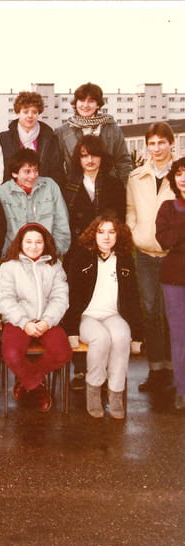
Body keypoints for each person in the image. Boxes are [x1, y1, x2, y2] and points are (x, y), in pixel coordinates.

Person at [64, 215, 143, 419]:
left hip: (113, 315)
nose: (106, 237)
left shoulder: (124, 258)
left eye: (111, 232)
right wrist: (71, 330)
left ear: (118, 235)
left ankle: (116, 394)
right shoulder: (82, 257)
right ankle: (94, 391)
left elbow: (133, 296)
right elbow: (71, 295)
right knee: (101, 338)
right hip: (87, 317)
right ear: (94, 235)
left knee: (121, 337)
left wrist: (137, 334)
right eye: (101, 232)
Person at [0, 223, 72, 412]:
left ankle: (25, 381)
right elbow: (5, 299)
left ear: (45, 244)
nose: (33, 246)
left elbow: (60, 298)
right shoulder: (9, 267)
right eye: (28, 241)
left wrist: (47, 321)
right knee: (11, 354)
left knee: (63, 352)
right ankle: (37, 387)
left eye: (38, 242)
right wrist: (24, 323)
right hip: (19, 322)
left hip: (47, 321)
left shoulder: (54, 266)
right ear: (20, 243)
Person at [126, 122, 176, 392]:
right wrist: (135, 232)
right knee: (150, 310)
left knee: (171, 312)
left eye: (161, 142)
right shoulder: (136, 177)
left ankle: (173, 370)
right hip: (145, 254)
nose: (156, 148)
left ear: (171, 144)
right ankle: (156, 369)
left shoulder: (181, 175)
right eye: (152, 143)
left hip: (173, 255)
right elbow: (131, 210)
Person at [0, 148, 70, 257]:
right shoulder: (2, 193)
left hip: (48, 255)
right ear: (14, 173)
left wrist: (55, 252)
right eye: (27, 171)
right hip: (14, 256)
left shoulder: (50, 186)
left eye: (35, 170)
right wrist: (9, 255)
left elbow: (62, 223)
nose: (33, 176)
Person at [55, 82, 132, 185]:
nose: (85, 105)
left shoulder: (111, 128)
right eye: (82, 100)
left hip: (108, 187)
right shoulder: (62, 132)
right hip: (75, 188)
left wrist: (125, 188)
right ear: (75, 103)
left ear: (98, 105)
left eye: (91, 101)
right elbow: (56, 166)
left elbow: (123, 162)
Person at [156, 157, 185, 410]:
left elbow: (174, 238)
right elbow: (164, 240)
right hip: (174, 279)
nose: (183, 178)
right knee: (179, 335)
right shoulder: (167, 207)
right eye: (179, 173)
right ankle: (182, 390)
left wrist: (178, 236)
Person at [63, 135, 126, 244]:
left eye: (94, 155)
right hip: (77, 244)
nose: (90, 160)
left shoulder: (115, 184)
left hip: (106, 242)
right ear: (78, 159)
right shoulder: (68, 185)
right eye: (84, 156)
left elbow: (120, 217)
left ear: (102, 157)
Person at [0, 91, 65, 186]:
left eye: (34, 112)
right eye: (25, 112)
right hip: (12, 191)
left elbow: (57, 171)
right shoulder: (3, 139)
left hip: (43, 190)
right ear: (18, 112)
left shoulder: (50, 139)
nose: (30, 115)